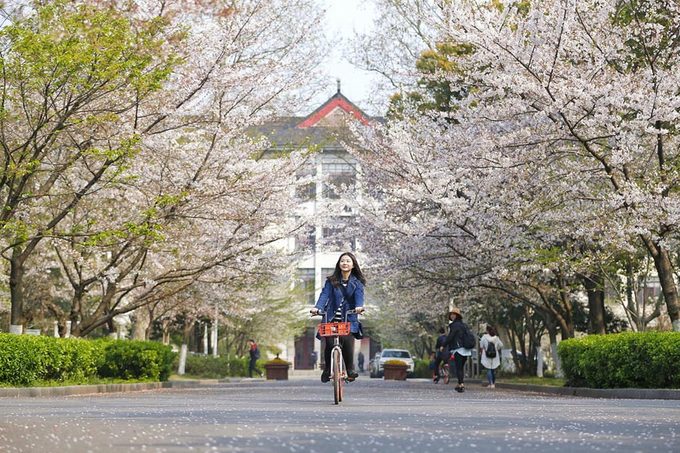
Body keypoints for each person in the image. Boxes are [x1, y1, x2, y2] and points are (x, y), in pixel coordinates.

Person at [310, 252, 366, 383]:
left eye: (348, 261)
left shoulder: (358, 283)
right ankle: (327, 369)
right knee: (329, 343)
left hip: (348, 318)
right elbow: (324, 295)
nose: (345, 263)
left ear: (353, 265)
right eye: (342, 261)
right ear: (339, 264)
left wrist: (359, 307)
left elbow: (359, 297)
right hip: (331, 318)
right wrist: (317, 308)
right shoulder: (331, 281)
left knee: (347, 340)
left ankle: (350, 369)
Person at [445, 307, 473, 393]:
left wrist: (444, 344)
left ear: (457, 316)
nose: (452, 316)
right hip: (466, 350)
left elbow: (451, 336)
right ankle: (459, 383)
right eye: (451, 314)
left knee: (459, 368)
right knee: (461, 367)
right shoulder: (464, 325)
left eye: (454, 314)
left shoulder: (454, 325)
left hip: (458, 349)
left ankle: (461, 384)